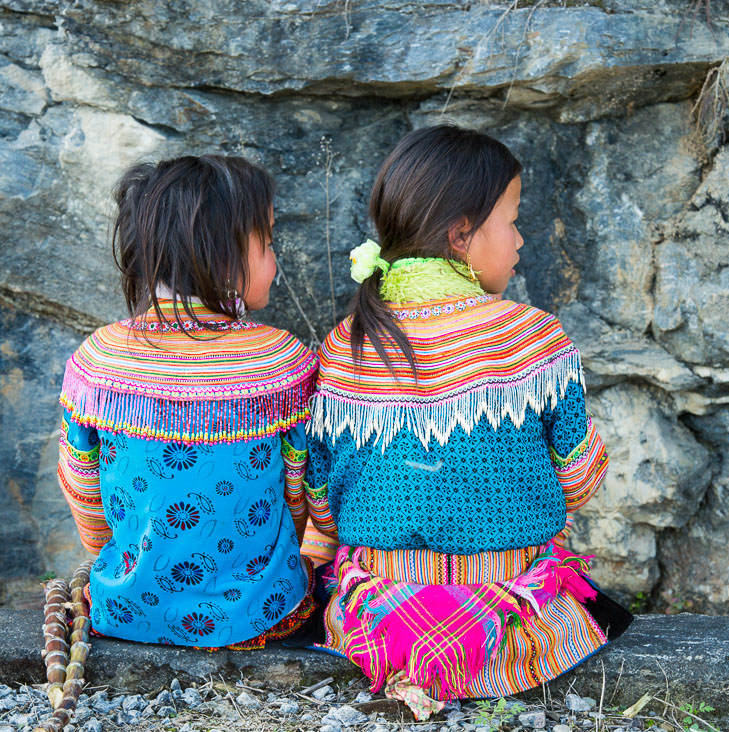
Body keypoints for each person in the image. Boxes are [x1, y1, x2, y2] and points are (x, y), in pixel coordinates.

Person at [304, 125, 633, 717]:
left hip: (377, 626)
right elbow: (580, 480)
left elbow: (323, 500)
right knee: (565, 574)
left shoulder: (341, 346)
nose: (521, 239)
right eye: (511, 220)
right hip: (504, 627)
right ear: (461, 234)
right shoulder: (535, 337)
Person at [56, 155, 322, 650]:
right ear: (223, 254)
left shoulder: (97, 362)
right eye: (268, 241)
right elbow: (302, 492)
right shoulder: (283, 364)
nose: (276, 261)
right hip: (261, 613)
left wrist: (121, 560)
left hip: (126, 609)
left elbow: (82, 490)